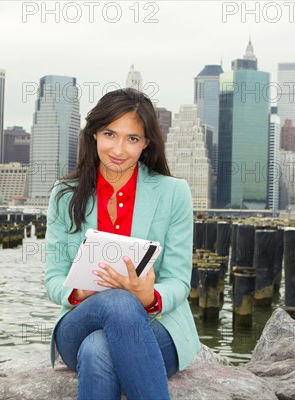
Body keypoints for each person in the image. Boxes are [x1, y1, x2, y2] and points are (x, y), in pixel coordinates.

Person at [44, 88, 200, 399]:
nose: (118, 149)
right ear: (94, 135)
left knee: (98, 350)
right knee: (116, 301)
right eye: (109, 134)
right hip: (81, 321)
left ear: (146, 144)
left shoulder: (173, 193)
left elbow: (180, 281)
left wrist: (149, 296)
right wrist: (80, 291)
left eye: (132, 138)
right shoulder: (64, 195)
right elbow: (53, 280)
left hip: (158, 326)